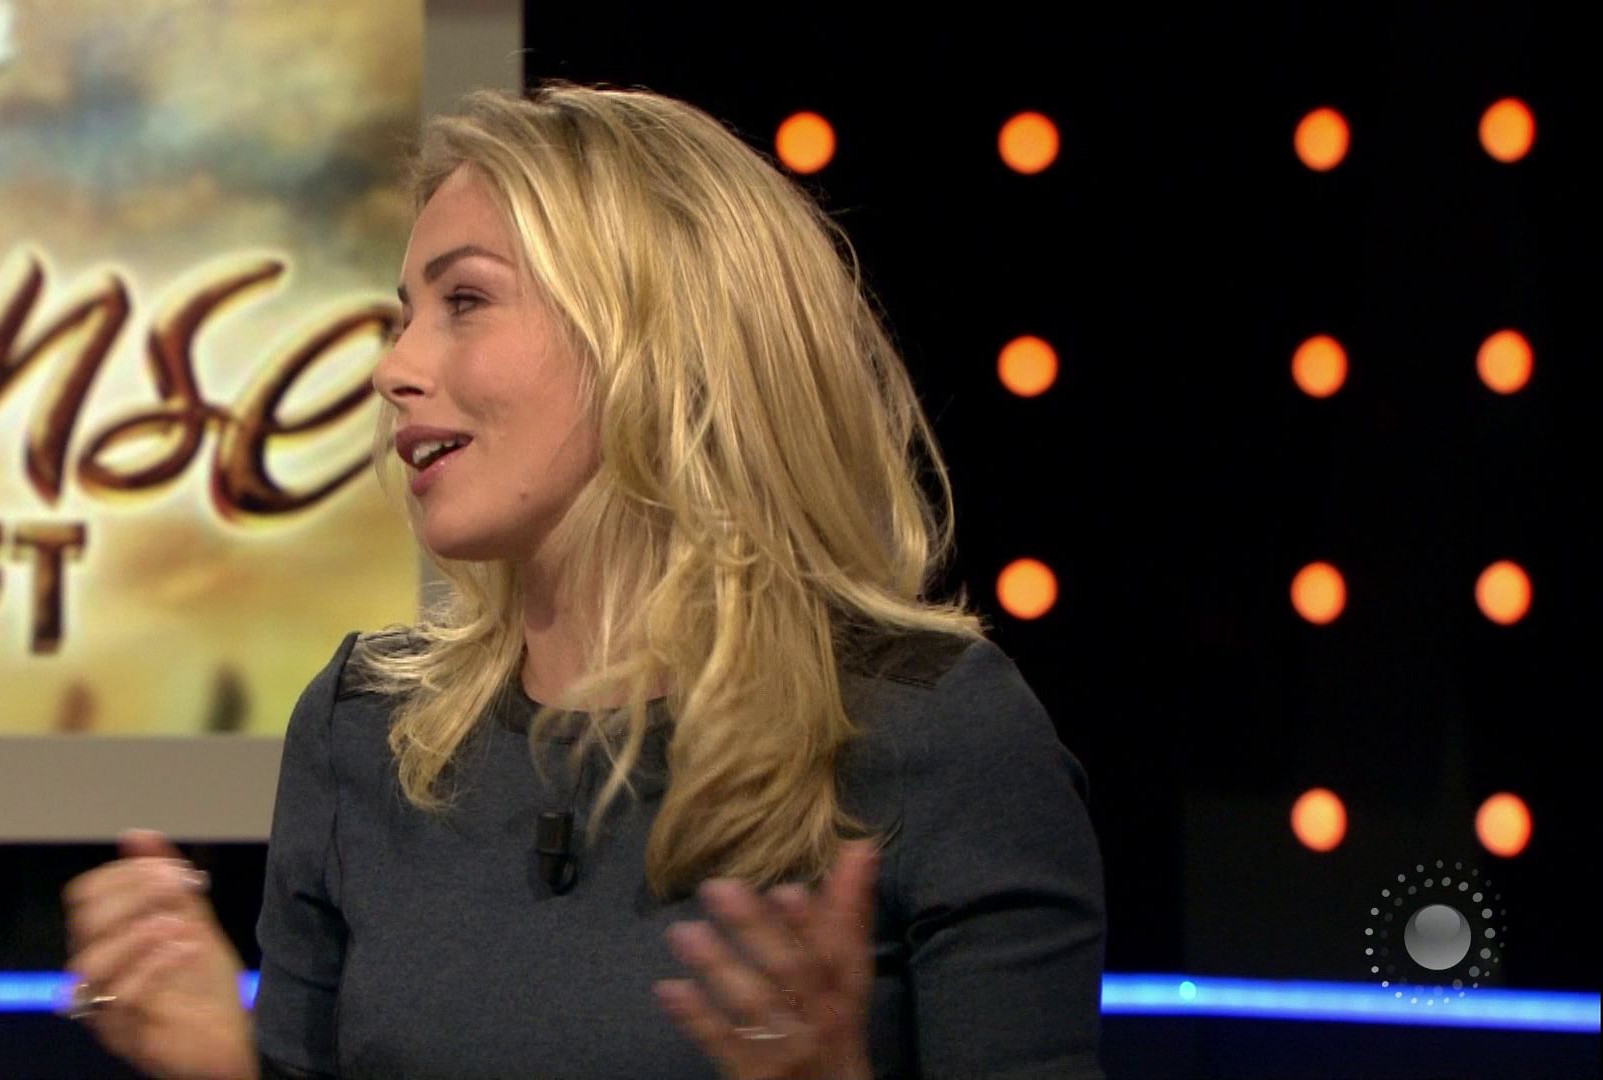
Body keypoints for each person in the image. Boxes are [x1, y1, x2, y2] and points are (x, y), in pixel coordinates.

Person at [61, 82, 1105, 1080]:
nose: (393, 366)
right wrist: (225, 1063)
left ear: (659, 337)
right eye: (405, 313)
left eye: (465, 300)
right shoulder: (365, 730)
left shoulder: (935, 734)